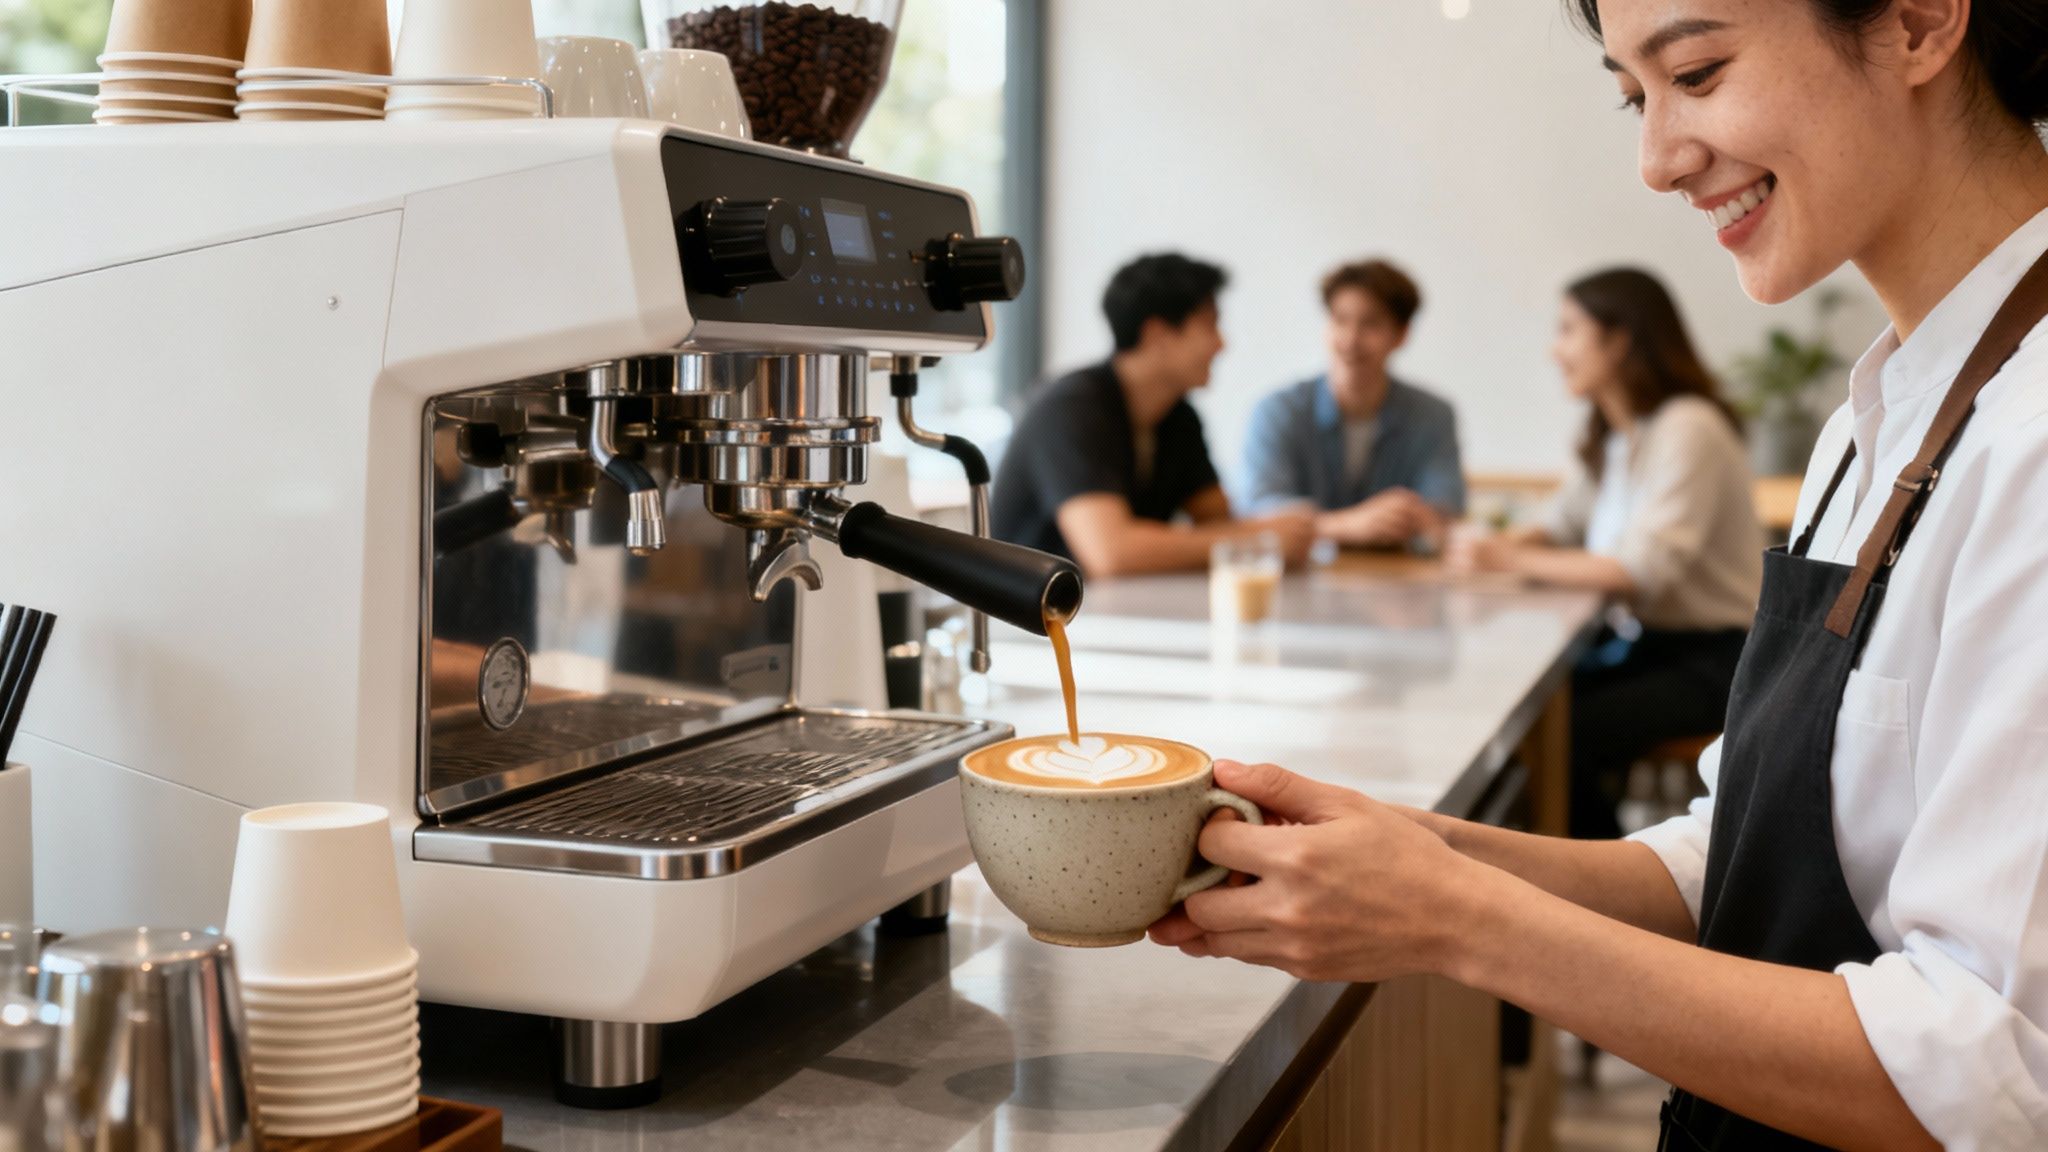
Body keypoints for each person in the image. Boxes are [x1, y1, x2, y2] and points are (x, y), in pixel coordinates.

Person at [1148, 1, 2048, 1149]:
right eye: (1635, 95)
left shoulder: (2027, 436)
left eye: (1698, 72)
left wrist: (1456, 920)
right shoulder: (1875, 424)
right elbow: (1723, 860)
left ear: (1917, 23)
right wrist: (1419, 848)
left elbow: (1989, 1075)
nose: (1655, 159)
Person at [1450, 268, 1763, 841]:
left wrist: (1505, 560)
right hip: (1650, 648)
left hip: (1718, 660)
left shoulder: (1689, 427)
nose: (1555, 350)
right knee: (1535, 714)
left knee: (1566, 732)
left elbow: (1641, 572)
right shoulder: (1618, 435)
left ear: (1619, 342)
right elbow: (1560, 526)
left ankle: (1602, 894)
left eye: (1569, 330)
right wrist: (1484, 545)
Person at [991, 253, 1315, 576]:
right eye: (1209, 325)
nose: (1221, 344)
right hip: (1027, 619)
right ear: (1157, 335)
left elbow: (1218, 519)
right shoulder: (1070, 407)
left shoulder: (1178, 416)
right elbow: (1111, 554)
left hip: (1110, 612)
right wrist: (1255, 539)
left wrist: (1278, 530)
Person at [1241, 259, 1467, 548]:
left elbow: (1444, 508)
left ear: (1400, 335)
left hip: (1400, 583)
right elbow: (1260, 510)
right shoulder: (1277, 411)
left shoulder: (1433, 415)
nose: (1350, 340)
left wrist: (1410, 516)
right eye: (1340, 320)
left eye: (1370, 324)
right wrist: (1347, 524)